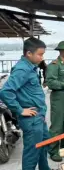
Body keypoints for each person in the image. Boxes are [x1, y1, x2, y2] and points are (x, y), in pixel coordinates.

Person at [0, 37, 50, 170]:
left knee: (43, 146)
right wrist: (20, 110)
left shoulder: (31, 67)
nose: (42, 58)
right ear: (29, 53)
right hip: (31, 120)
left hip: (38, 116)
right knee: (32, 152)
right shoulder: (23, 70)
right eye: (40, 54)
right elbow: (5, 92)